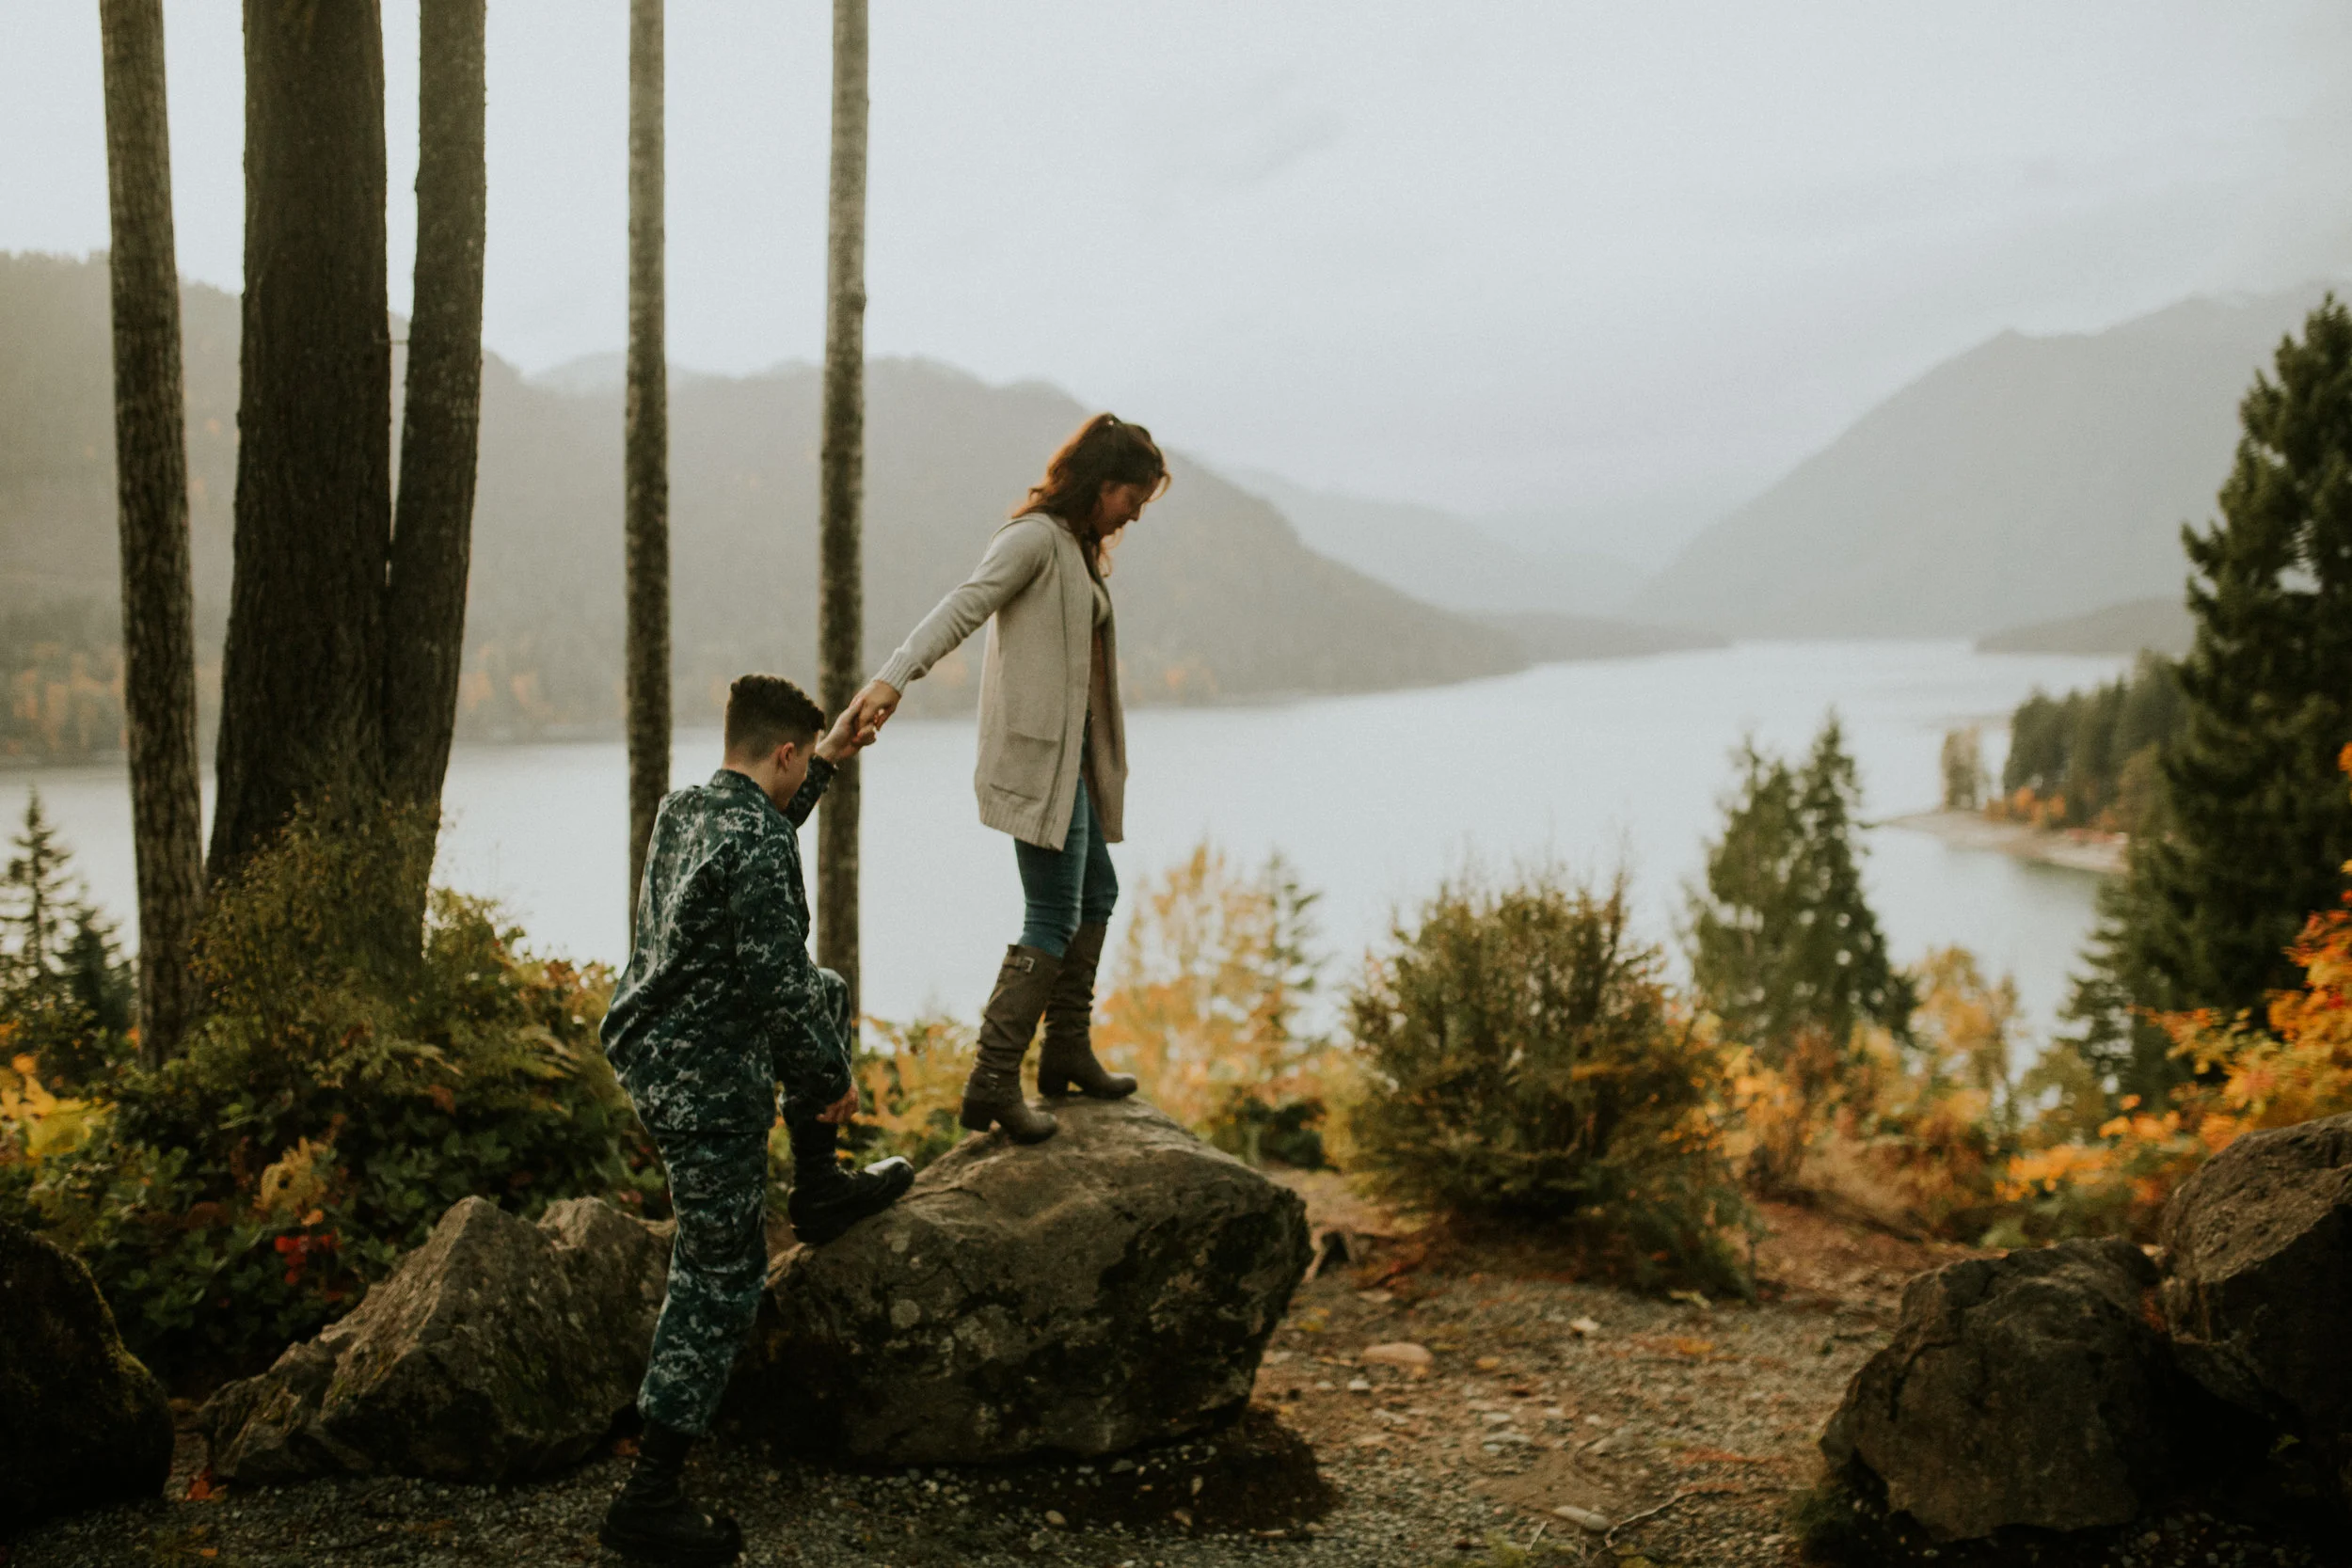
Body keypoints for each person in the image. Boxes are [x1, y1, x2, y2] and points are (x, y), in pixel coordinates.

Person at [596, 673, 912, 1567]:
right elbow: (775, 984)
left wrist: (836, 755)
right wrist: (831, 1078)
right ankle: (648, 1497)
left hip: (657, 1043)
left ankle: (817, 1188)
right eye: (803, 760)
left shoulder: (687, 810)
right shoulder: (758, 845)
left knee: (829, 990)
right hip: (704, 1077)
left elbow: (759, 836)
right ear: (782, 752)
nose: (803, 770)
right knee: (720, 1270)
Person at [848, 413, 1169, 1145]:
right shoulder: (1033, 539)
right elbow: (962, 606)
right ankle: (993, 1079)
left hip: (1072, 764)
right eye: (1133, 497)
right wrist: (893, 679)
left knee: (1098, 892)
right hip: (1037, 762)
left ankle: (1064, 1051)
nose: (1136, 512)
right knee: (1052, 915)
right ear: (1104, 482)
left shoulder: (1076, 549)